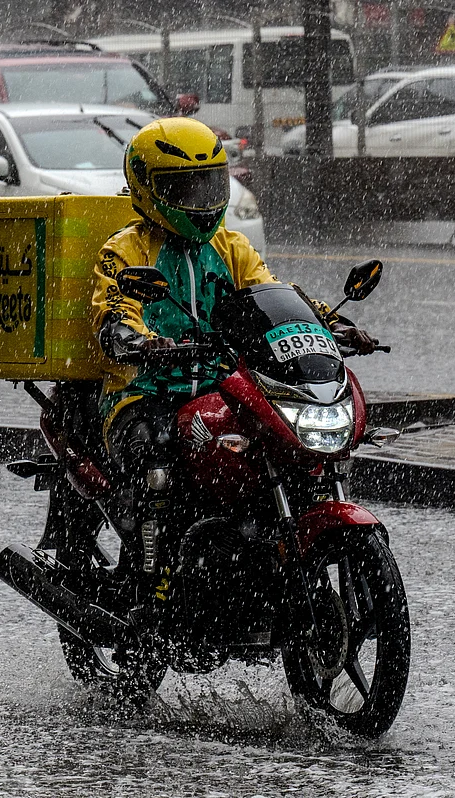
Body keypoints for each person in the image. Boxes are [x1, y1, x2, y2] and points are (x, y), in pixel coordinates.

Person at [90, 117, 374, 601]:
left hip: (220, 389)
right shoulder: (126, 250)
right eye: (185, 187)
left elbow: (270, 296)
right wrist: (135, 338)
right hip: (145, 392)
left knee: (276, 447)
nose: (201, 200)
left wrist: (326, 321)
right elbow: (113, 308)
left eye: (208, 185)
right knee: (157, 458)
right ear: (148, 189)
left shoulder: (231, 247)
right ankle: (152, 587)